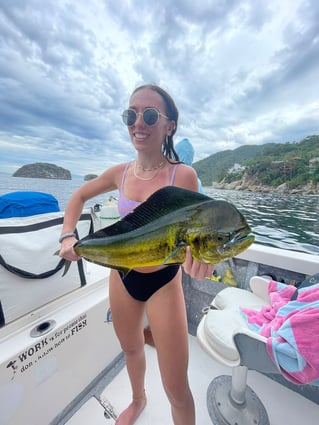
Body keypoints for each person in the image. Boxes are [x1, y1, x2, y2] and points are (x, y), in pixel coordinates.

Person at [58, 84, 214, 425]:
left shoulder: (182, 176)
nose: (138, 123)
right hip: (123, 276)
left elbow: (200, 233)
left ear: (169, 125)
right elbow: (78, 197)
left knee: (176, 388)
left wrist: (204, 260)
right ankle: (138, 399)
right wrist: (68, 235)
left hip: (163, 282)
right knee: (131, 348)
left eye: (149, 115)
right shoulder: (121, 173)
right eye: (131, 114)